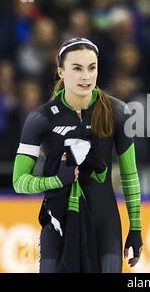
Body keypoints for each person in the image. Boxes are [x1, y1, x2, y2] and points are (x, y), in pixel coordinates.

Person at [12, 37, 143, 273]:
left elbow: (130, 175)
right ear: (61, 72)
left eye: (92, 68)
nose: (86, 76)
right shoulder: (41, 119)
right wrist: (56, 181)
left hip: (105, 226)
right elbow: (19, 182)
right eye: (77, 68)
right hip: (58, 224)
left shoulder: (118, 112)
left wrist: (136, 227)